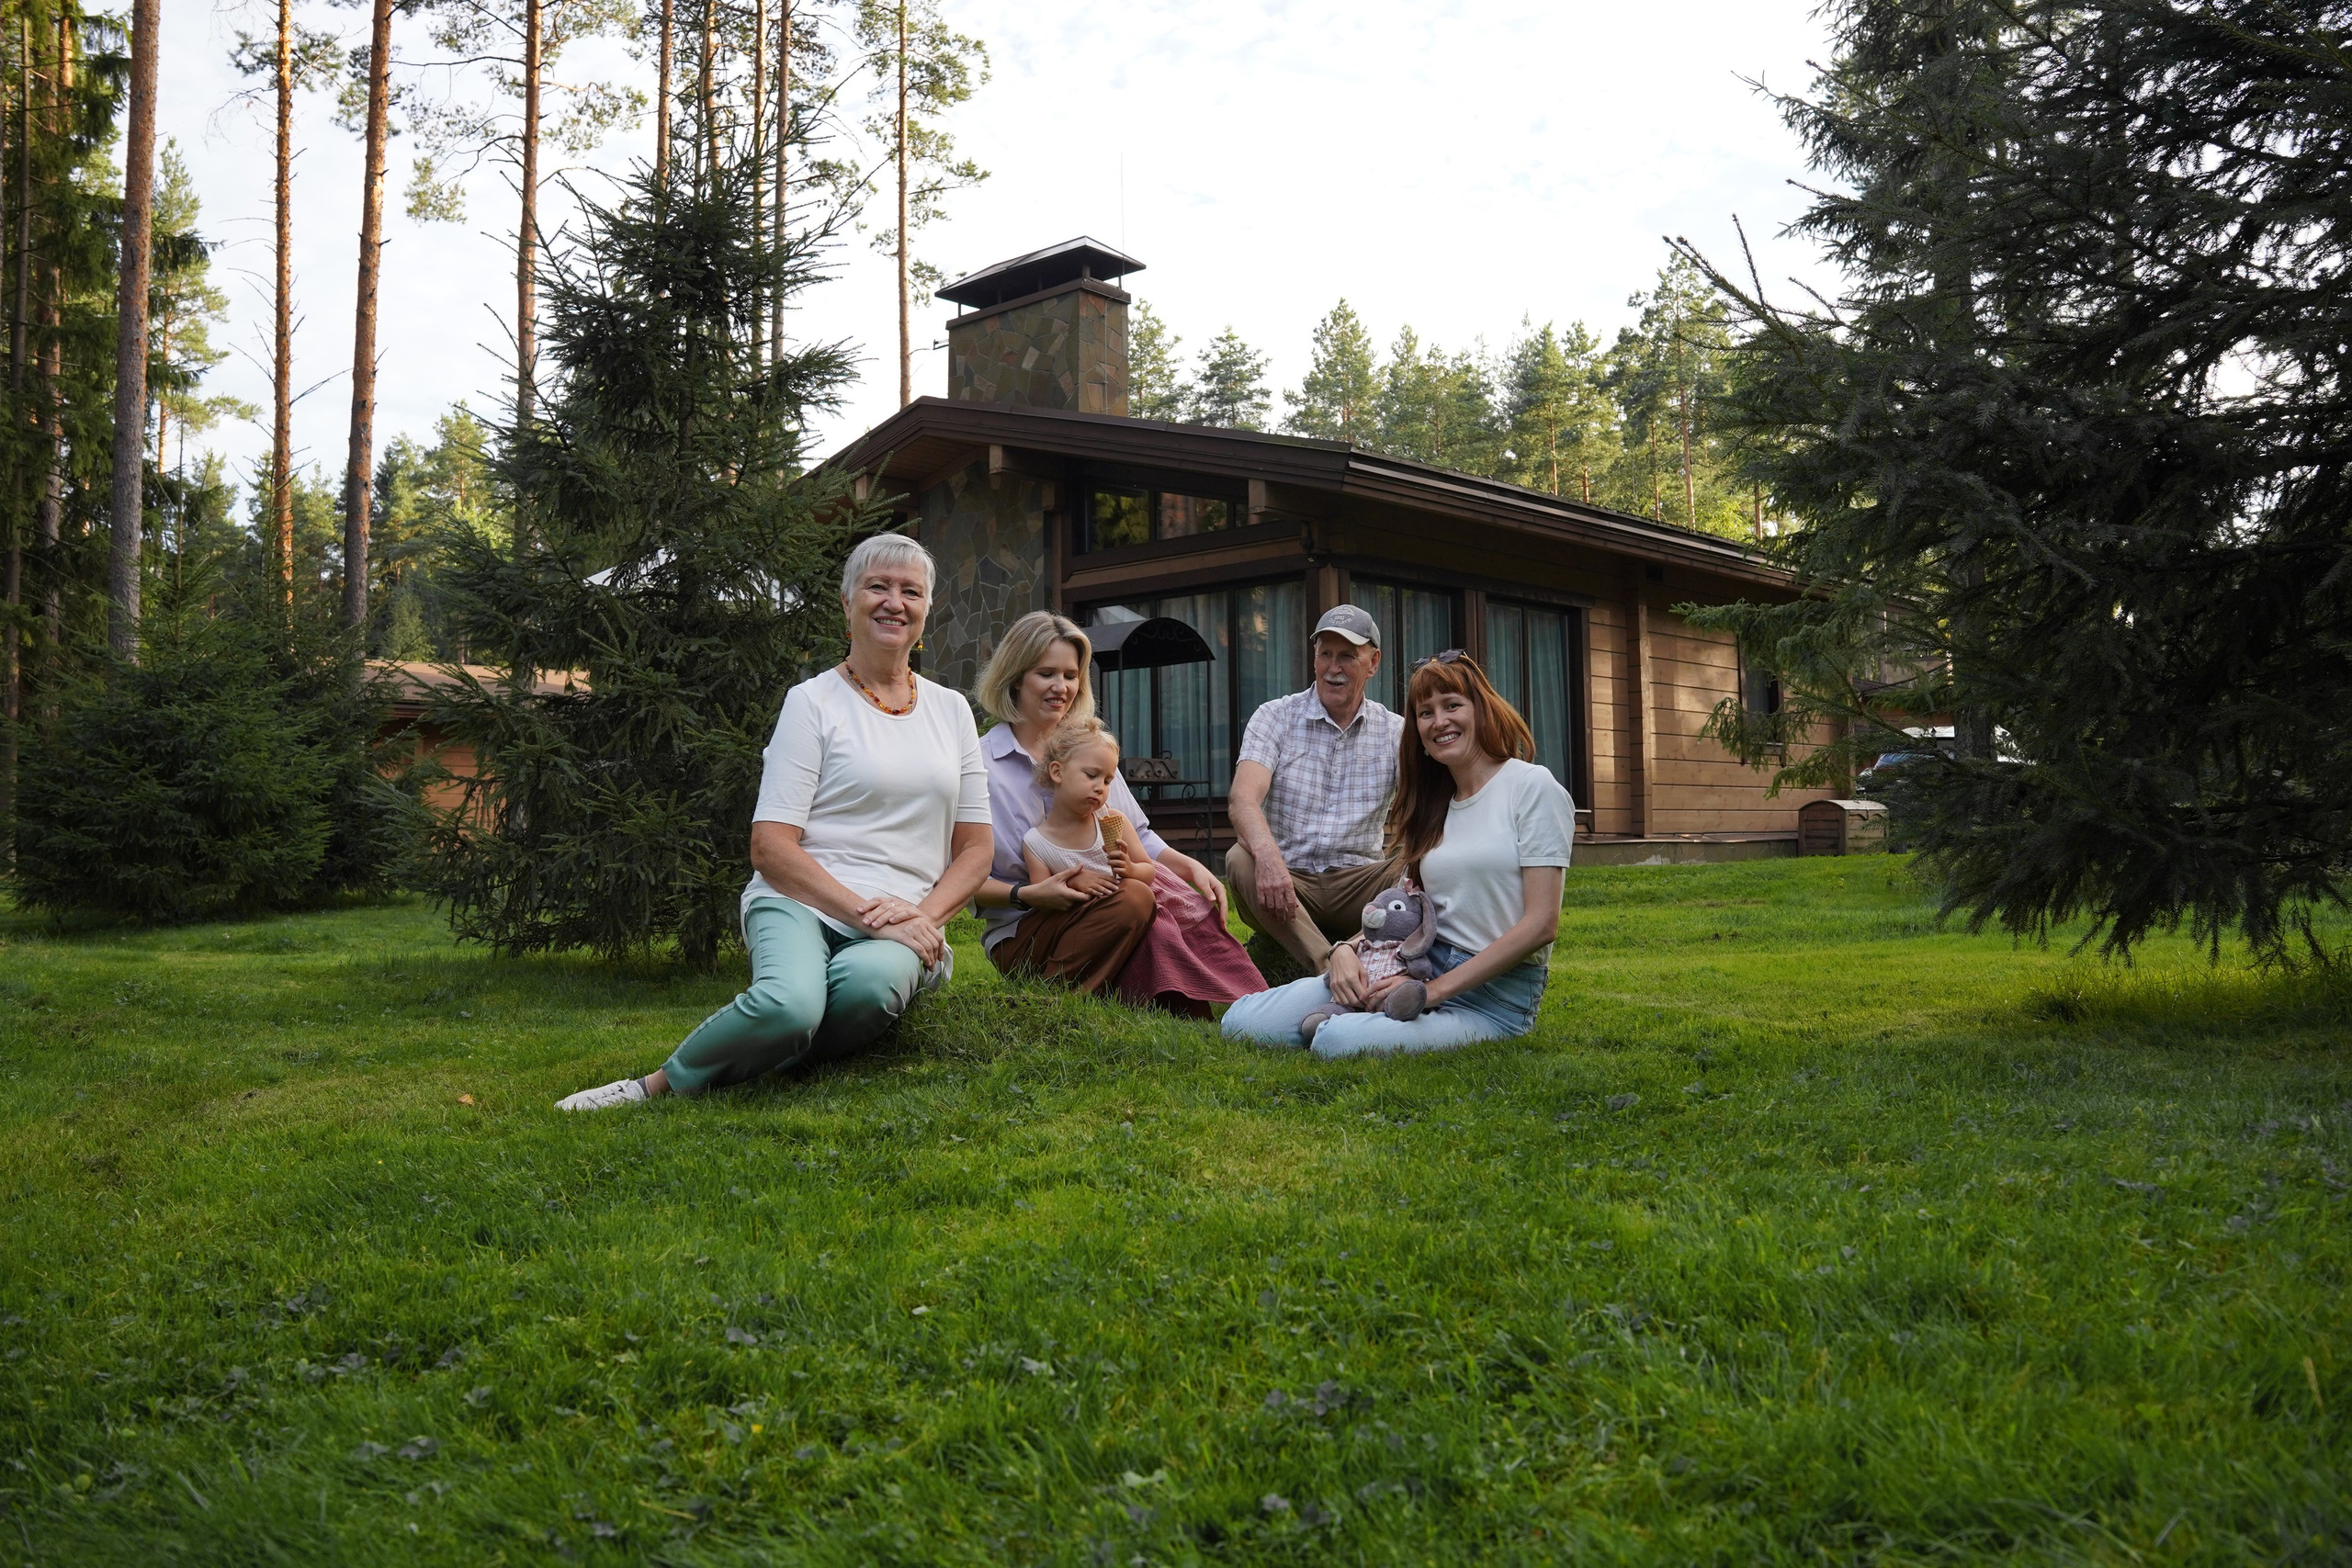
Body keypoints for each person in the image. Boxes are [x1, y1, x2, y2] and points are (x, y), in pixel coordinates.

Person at [556, 534, 993, 1111]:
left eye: (911, 591)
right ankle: (653, 1086)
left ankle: (763, 1057)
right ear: (847, 602)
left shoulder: (952, 710)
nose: (894, 602)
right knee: (789, 1004)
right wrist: (871, 916)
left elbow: (977, 848)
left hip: (904, 911)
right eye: (878, 586)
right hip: (800, 898)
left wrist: (923, 919)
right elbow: (770, 847)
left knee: (869, 990)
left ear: (926, 610)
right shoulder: (810, 703)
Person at [1224, 649, 1573, 1058]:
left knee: (1335, 1041)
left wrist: (1431, 991)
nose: (1439, 721)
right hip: (1410, 963)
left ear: (1481, 709)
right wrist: (1344, 952)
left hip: (1491, 997)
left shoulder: (1532, 787)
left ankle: (1370, 1023)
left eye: (1452, 705)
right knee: (1243, 1023)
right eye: (1425, 713)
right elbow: (1410, 902)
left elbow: (1541, 925)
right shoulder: (1436, 803)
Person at [971, 610, 1233, 998]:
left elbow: (1135, 835)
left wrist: (1190, 866)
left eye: (1071, 675)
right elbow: (960, 878)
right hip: (1025, 928)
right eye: (1046, 673)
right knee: (1134, 900)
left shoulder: (1089, 751)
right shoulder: (979, 765)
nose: (1061, 687)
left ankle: (1113, 993)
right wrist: (1025, 894)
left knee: (1139, 898)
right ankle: (1055, 998)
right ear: (1014, 677)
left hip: (1101, 911)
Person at [1020, 718, 1263, 1015]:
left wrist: (1130, 869)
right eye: (1091, 775)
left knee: (1163, 935)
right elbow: (1043, 901)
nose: (1100, 788)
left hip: (1142, 905)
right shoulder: (1036, 843)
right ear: (1057, 772)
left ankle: (1196, 1003)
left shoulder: (1114, 821)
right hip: (1085, 925)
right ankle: (1091, 995)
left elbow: (1147, 870)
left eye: (1108, 781)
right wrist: (1073, 883)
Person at [1225, 604, 1406, 974]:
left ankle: (1347, 953)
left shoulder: (1396, 732)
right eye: (1325, 654)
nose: (1333, 668)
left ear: (1373, 663)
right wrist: (1268, 856)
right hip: (1287, 884)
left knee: (1423, 863)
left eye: (1347, 657)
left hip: (1360, 885)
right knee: (1239, 859)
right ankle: (1329, 968)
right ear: (1314, 658)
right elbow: (1243, 799)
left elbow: (1428, 805)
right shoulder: (1275, 716)